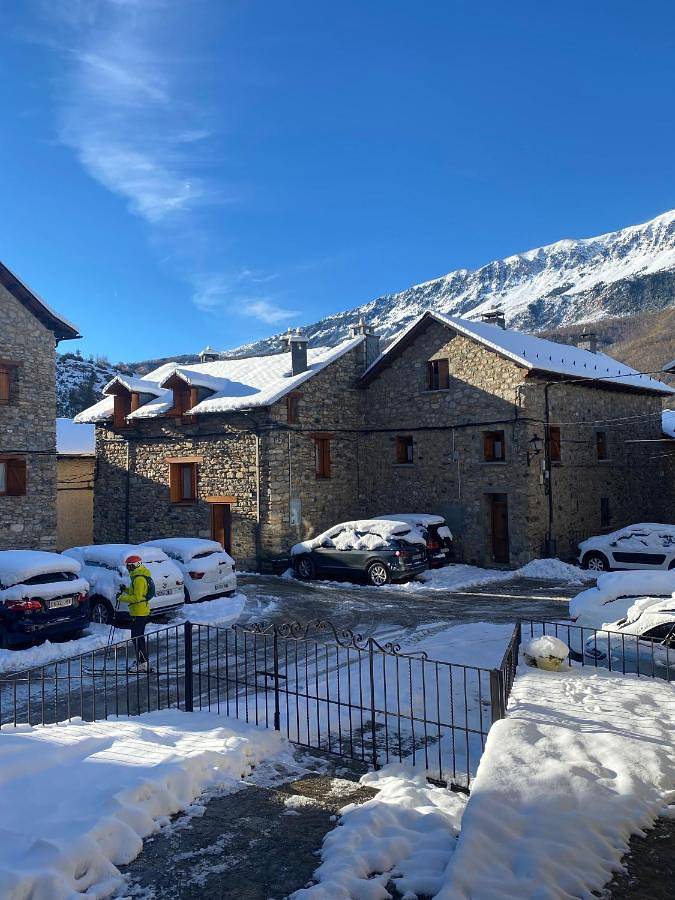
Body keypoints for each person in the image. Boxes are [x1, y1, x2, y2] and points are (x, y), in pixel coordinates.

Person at [118, 554, 155, 673]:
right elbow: (137, 592)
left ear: (134, 566)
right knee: (137, 637)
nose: (128, 569)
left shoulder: (139, 579)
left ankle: (143, 663)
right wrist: (126, 590)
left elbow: (137, 597)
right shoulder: (138, 577)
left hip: (139, 612)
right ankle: (142, 661)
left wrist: (122, 598)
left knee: (137, 638)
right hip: (138, 611)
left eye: (129, 567)